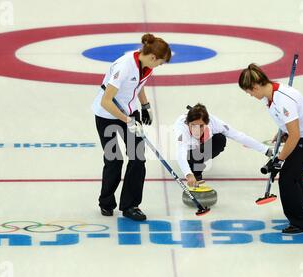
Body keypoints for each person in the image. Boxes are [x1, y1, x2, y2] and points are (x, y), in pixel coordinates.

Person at [238, 63, 303, 234]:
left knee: (287, 177)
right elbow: (291, 128)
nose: (249, 95)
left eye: (248, 91)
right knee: (293, 169)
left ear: (256, 86)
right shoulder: (269, 96)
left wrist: (278, 160)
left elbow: (295, 136)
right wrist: (285, 132)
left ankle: (301, 223)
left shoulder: (283, 99)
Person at [92, 33, 171, 221]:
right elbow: (106, 101)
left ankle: (130, 205)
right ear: (152, 57)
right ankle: (106, 202)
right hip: (107, 116)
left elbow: (138, 85)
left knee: (137, 159)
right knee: (114, 159)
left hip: (130, 112)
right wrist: (127, 120)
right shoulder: (124, 67)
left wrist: (145, 106)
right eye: (159, 63)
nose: (158, 66)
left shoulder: (145, 64)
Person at [174, 104, 273, 188]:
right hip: (188, 152)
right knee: (192, 156)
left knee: (220, 139)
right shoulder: (181, 128)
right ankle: (194, 169)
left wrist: (266, 150)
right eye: (193, 126)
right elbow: (180, 152)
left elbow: (238, 136)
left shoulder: (214, 122)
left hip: (201, 147)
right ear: (188, 123)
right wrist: (188, 174)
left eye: (201, 126)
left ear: (207, 123)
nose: (197, 130)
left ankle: (197, 166)